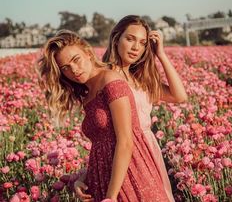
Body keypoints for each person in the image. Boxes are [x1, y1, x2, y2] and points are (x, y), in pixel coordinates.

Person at [38, 30, 170, 202]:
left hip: (129, 176)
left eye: (76, 60)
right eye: (65, 68)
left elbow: (126, 142)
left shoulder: (111, 82)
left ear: (87, 53)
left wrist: (111, 196)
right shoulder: (89, 94)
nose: (74, 70)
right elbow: (103, 145)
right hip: (104, 179)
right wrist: (83, 178)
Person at [76, 15, 187, 201]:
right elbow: (103, 137)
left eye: (143, 43)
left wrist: (161, 54)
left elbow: (179, 96)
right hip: (121, 152)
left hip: (146, 152)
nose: (136, 47)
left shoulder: (141, 81)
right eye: (130, 39)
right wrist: (84, 176)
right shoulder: (104, 79)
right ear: (116, 38)